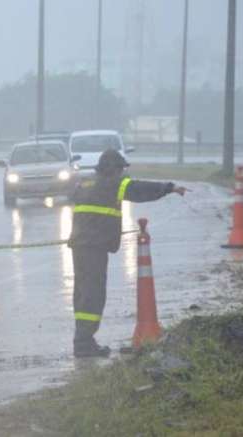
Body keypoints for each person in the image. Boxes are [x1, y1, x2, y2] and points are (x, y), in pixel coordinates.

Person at [69, 149, 187, 358]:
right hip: (94, 248)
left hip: (80, 246)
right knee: (93, 295)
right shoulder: (114, 184)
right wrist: (169, 188)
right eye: (121, 169)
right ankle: (84, 343)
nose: (123, 174)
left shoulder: (85, 183)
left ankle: (83, 339)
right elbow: (139, 190)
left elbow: (75, 196)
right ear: (113, 169)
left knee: (82, 293)